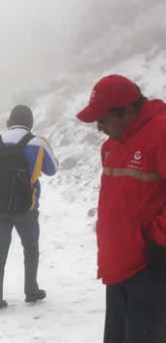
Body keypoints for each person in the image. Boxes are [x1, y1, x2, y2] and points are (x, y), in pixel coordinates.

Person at [76, 74, 166, 342]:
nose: (99, 127)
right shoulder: (111, 146)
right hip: (117, 267)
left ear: (127, 110)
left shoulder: (161, 133)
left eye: (103, 119)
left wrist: (158, 241)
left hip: (149, 268)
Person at [0, 105, 59, 311]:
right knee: (31, 249)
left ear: (9, 121)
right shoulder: (38, 142)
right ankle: (31, 291)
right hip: (27, 207)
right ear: (30, 122)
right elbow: (52, 169)